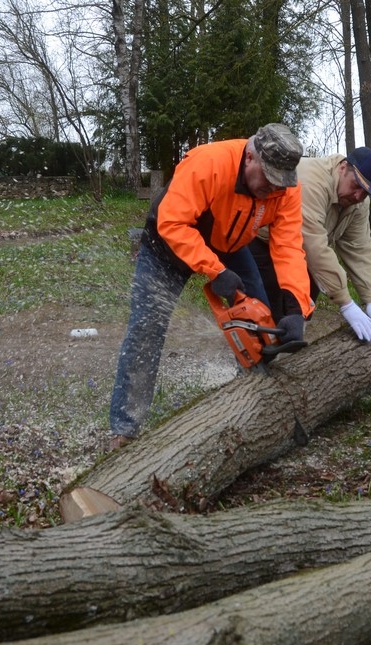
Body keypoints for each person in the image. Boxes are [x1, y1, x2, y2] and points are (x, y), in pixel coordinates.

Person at [108, 123, 314, 449]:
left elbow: (288, 247)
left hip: (229, 243)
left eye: (280, 182)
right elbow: (172, 222)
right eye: (268, 178)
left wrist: (295, 308)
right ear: (249, 158)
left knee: (260, 324)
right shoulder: (208, 163)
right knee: (147, 328)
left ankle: (253, 408)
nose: (273, 189)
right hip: (168, 242)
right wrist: (215, 270)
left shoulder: (286, 188)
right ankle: (124, 429)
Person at [250, 146, 371, 342]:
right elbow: (313, 243)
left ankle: (281, 351)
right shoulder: (312, 180)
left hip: (296, 252)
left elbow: (359, 248)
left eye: (366, 192)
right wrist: (346, 303)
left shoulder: (359, 203)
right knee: (271, 307)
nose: (358, 196)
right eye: (356, 185)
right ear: (344, 167)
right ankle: (253, 353)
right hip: (261, 240)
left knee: (302, 309)